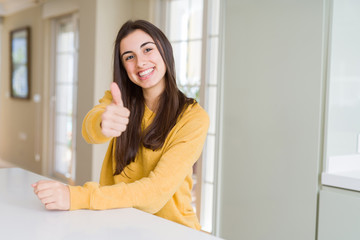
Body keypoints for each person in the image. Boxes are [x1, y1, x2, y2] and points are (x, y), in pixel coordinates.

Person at [32, 19, 209, 230]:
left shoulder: (192, 118)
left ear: (165, 50)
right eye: (129, 57)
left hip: (173, 229)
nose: (140, 63)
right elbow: (90, 129)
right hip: (118, 222)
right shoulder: (118, 100)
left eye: (148, 50)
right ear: (123, 67)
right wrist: (102, 123)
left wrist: (76, 196)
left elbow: (155, 193)